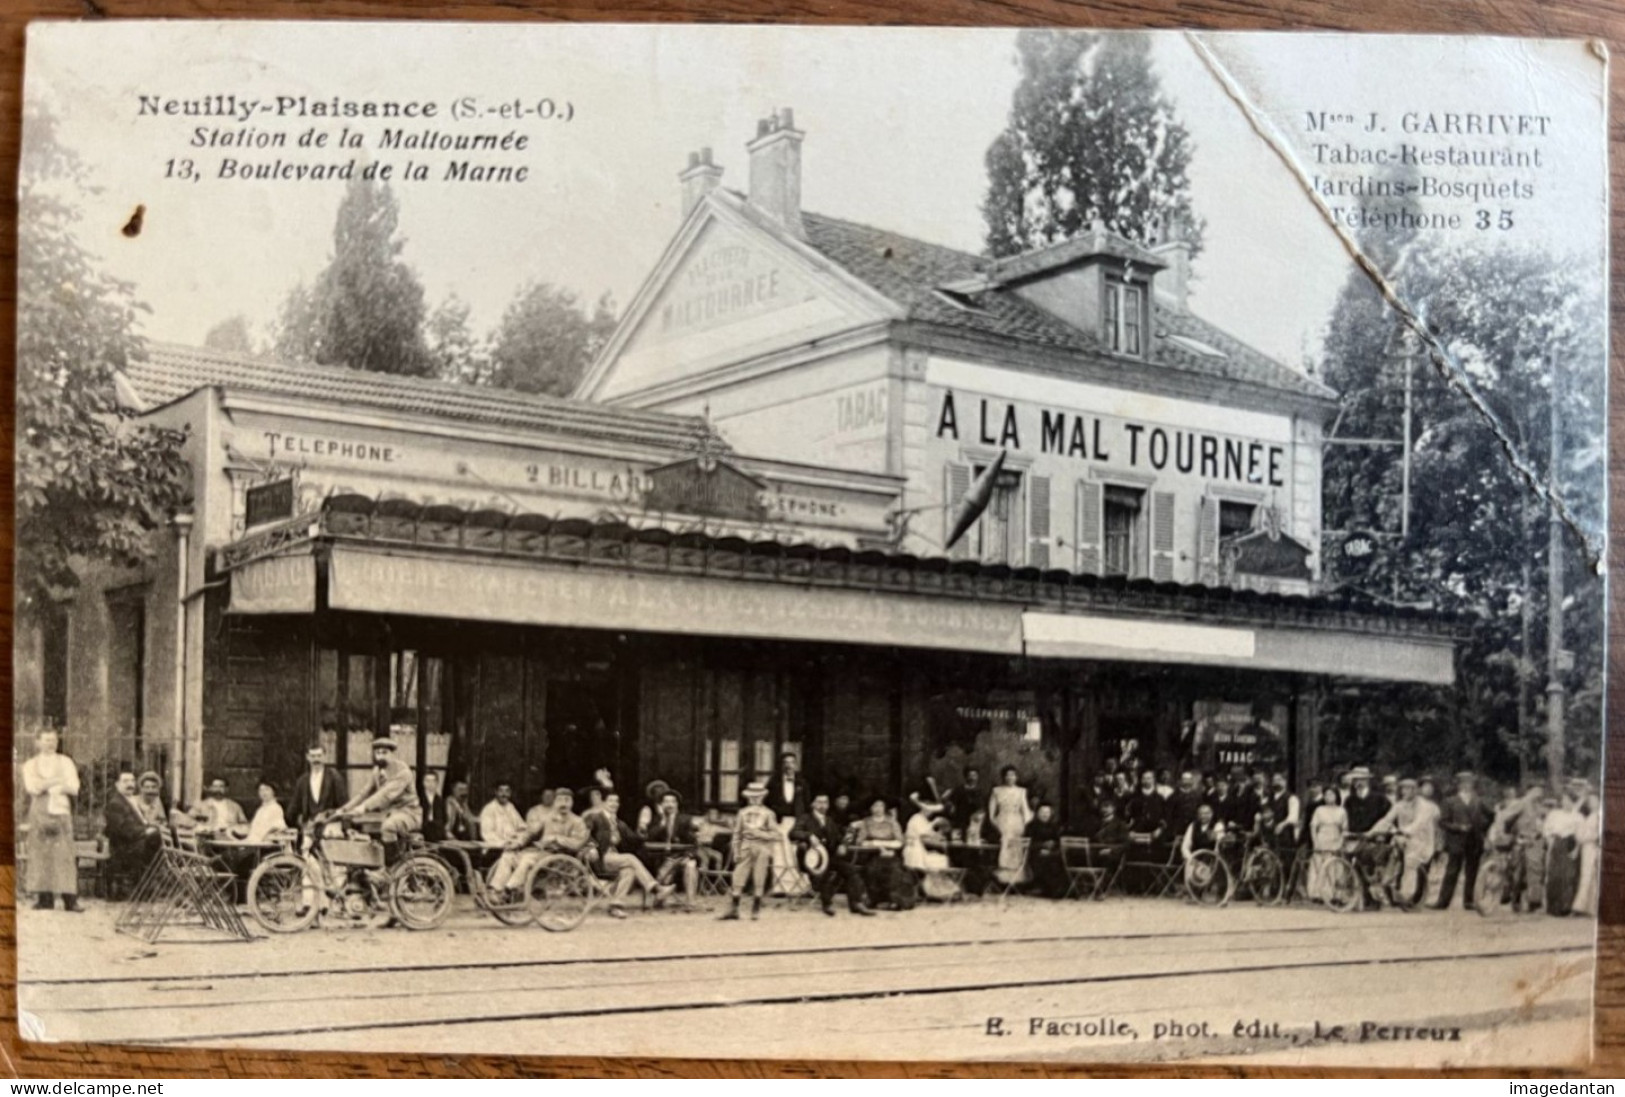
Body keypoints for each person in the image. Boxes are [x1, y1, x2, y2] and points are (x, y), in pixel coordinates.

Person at [488, 787, 590, 897]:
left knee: (527, 860)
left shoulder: (577, 822)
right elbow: (530, 832)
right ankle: (495, 890)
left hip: (559, 858)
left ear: (572, 803)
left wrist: (557, 838)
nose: (563, 804)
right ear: (554, 802)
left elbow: (577, 844)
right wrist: (518, 843)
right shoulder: (547, 818)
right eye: (560, 800)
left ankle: (509, 890)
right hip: (540, 853)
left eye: (567, 800)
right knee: (508, 855)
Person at [22, 728, 82, 912]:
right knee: (41, 853)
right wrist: (56, 782)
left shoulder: (66, 762)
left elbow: (74, 787)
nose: (51, 744)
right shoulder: (30, 765)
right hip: (39, 811)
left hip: (61, 811)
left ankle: (69, 900)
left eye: (54, 740)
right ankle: (44, 898)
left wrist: (49, 785)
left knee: (64, 855)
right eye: (47, 740)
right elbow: (32, 788)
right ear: (38, 742)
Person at [587, 791, 671, 919]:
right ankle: (655, 889)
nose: (614, 804)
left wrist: (643, 831)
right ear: (604, 802)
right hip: (600, 858)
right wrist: (591, 847)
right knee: (630, 858)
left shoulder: (620, 824)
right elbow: (585, 835)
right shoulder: (595, 818)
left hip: (614, 861)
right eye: (610, 800)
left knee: (629, 870)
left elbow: (635, 840)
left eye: (616, 801)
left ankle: (616, 906)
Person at [337, 738, 423, 862]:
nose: (380, 756)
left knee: (388, 827)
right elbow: (363, 793)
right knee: (358, 825)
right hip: (388, 813)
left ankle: (393, 865)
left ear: (393, 754)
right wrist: (344, 809)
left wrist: (363, 807)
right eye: (378, 753)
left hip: (409, 813)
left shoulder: (403, 772)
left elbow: (385, 794)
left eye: (384, 752)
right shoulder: (377, 771)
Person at [793, 793, 874, 917]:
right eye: (819, 802)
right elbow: (793, 833)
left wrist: (843, 845)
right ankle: (827, 904)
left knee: (851, 870)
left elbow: (839, 838)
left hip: (829, 858)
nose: (822, 805)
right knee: (825, 872)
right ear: (813, 804)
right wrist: (808, 836)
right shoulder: (805, 818)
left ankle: (856, 904)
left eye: (825, 802)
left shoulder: (829, 821)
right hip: (811, 859)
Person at [1434, 770, 1492, 912]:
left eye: (1469, 782)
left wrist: (1481, 828)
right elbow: (1443, 822)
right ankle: (1443, 902)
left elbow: (1491, 816)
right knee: (1452, 871)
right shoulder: (1450, 801)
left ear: (1473, 784)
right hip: (1456, 840)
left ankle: (1469, 901)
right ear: (1458, 785)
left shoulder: (1479, 801)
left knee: (1472, 871)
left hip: (1474, 841)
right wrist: (1458, 827)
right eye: (1463, 782)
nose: (1466, 785)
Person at [720, 781, 779, 921]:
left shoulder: (768, 814)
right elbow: (737, 832)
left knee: (759, 876)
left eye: (758, 796)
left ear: (762, 797)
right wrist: (736, 850)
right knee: (738, 876)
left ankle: (756, 908)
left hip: (762, 847)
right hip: (745, 846)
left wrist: (760, 834)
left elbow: (776, 835)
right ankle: (734, 908)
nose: (755, 799)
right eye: (752, 796)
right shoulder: (742, 813)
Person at [104, 771, 167, 895]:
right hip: (125, 847)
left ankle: (158, 882)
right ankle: (152, 885)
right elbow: (121, 830)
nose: (130, 784)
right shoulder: (115, 803)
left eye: (132, 781)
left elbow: (141, 823)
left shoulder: (131, 800)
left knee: (168, 833)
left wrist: (151, 827)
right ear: (117, 784)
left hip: (137, 842)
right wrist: (145, 831)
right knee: (160, 839)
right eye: (125, 781)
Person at [1380, 777, 1438, 908]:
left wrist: (1404, 831)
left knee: (1410, 861)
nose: (1403, 792)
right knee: (1389, 857)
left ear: (1414, 791)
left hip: (1421, 841)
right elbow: (1386, 820)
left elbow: (1419, 823)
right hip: (1403, 839)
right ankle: (1387, 885)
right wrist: (1371, 832)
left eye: (1407, 789)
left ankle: (1407, 894)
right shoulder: (1399, 805)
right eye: (1402, 789)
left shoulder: (1425, 806)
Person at [851, 796, 914, 911]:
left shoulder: (891, 821)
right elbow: (859, 841)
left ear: (885, 808)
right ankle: (874, 900)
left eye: (881, 806)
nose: (878, 809)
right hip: (872, 854)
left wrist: (887, 847)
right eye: (875, 806)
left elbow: (900, 840)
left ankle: (895, 901)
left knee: (895, 870)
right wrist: (875, 844)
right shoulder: (867, 822)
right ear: (870, 808)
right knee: (872, 870)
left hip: (891, 854)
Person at [645, 789, 700, 908]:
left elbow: (694, 843)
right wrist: (663, 822)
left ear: (677, 804)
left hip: (682, 856)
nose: (669, 805)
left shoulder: (685, 820)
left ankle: (690, 902)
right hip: (662, 859)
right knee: (662, 878)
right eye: (666, 802)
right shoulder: (657, 820)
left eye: (672, 802)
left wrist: (689, 856)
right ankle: (660, 897)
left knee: (691, 866)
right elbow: (650, 837)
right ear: (661, 805)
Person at [286, 744, 346, 835]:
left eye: (319, 756)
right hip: (309, 828)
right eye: (313, 756)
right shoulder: (302, 781)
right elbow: (293, 808)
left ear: (325, 757)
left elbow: (344, 804)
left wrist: (347, 828)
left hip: (331, 827)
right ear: (307, 757)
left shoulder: (334, 777)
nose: (316, 760)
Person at [988, 766, 1033, 885]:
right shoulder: (996, 791)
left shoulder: (1021, 791)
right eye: (1008, 775)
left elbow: (1025, 808)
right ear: (1003, 777)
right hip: (1002, 820)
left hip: (1017, 821)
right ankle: (1002, 879)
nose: (1010, 778)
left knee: (1016, 847)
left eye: (1013, 775)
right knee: (1005, 844)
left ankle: (1016, 879)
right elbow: (991, 812)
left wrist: (1026, 822)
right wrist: (995, 822)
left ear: (1016, 777)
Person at [1541, 789, 1581, 917]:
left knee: (1567, 876)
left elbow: (1580, 835)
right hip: (1556, 843)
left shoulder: (1577, 816)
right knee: (1554, 875)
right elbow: (1546, 828)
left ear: (1573, 802)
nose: (1565, 803)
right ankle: (1553, 907)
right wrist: (1549, 840)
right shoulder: (1555, 814)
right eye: (1563, 800)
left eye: (1568, 800)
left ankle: (1566, 907)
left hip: (1570, 844)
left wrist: (1576, 850)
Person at [1307, 786, 1347, 904]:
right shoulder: (1319, 810)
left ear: (1336, 796)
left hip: (1335, 837)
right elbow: (1313, 826)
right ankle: (1318, 894)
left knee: (1334, 866)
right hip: (1322, 837)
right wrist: (1315, 841)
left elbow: (1344, 828)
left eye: (1331, 794)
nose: (1328, 797)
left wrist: (1341, 842)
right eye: (1326, 795)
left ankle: (1335, 894)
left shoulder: (1341, 811)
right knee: (1319, 865)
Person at [1025, 803, 1067, 898]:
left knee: (1060, 859)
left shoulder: (1054, 827)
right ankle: (1049, 890)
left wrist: (1052, 849)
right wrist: (1042, 846)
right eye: (1042, 812)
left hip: (1052, 853)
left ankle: (1060, 890)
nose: (1045, 815)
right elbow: (1028, 844)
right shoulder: (1031, 827)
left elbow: (1058, 842)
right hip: (1036, 853)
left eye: (1047, 812)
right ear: (1037, 813)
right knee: (1047, 861)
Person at [1572, 783, 1601, 917]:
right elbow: (1580, 829)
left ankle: (1591, 907)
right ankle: (1584, 906)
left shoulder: (1600, 815)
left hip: (1595, 846)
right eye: (1590, 801)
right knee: (1586, 875)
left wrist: (1592, 837)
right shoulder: (1589, 816)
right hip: (1586, 847)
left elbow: (1598, 833)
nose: (1592, 803)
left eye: (1595, 801)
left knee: (1594, 875)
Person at [904, 799, 951, 872]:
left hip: (919, 849)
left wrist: (940, 834)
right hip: (914, 851)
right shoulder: (916, 818)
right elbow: (923, 833)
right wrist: (934, 822)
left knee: (943, 858)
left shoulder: (924, 820)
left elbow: (930, 834)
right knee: (942, 859)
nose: (931, 812)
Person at [479, 783, 525, 850]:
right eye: (501, 791)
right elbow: (487, 834)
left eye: (507, 791)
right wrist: (505, 842)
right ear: (496, 792)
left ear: (510, 793)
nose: (504, 794)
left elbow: (521, 826)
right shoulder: (489, 809)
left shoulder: (511, 807)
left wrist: (519, 837)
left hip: (513, 845)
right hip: (496, 848)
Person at [946, 767, 983, 834]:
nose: (972, 778)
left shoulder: (980, 791)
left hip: (975, 822)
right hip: (960, 820)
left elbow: (982, 807)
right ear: (966, 777)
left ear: (978, 777)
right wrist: (951, 807)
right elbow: (951, 802)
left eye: (974, 776)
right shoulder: (959, 789)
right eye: (970, 776)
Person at [1268, 772, 1301, 847]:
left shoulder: (1291, 798)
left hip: (1286, 833)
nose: (1276, 782)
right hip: (1272, 834)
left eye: (1279, 780)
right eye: (1274, 780)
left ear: (1285, 782)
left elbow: (1293, 817)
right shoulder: (1270, 798)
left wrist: (1282, 825)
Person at [420, 772, 449, 842]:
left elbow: (445, 818)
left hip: (438, 832)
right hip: (422, 830)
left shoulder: (440, 800)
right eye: (427, 781)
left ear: (437, 783)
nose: (430, 784)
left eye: (433, 781)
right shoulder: (418, 799)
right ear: (423, 783)